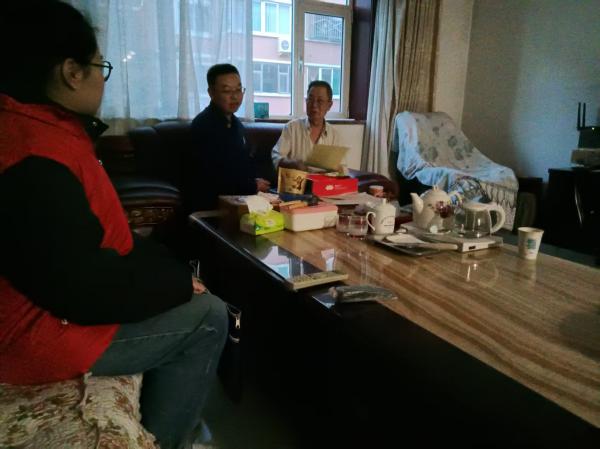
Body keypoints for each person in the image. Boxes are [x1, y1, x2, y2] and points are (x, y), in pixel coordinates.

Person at [0, 2, 226, 449]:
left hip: (60, 300)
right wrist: (176, 283)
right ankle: (170, 438)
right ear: (71, 72)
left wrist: (170, 273)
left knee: (184, 287)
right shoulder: (33, 157)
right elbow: (81, 289)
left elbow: (96, 236)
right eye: (99, 66)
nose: (103, 80)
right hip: (35, 336)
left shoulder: (44, 128)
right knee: (210, 316)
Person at [188, 64, 270, 211]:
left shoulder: (235, 123)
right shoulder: (203, 126)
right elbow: (212, 178)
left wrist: (254, 181)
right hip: (212, 206)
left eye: (238, 90)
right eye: (227, 91)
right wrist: (251, 185)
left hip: (238, 197)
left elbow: (241, 166)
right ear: (211, 93)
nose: (235, 96)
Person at [271, 80, 341, 171]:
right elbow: (276, 156)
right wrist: (292, 164)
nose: (314, 105)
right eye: (310, 99)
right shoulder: (292, 128)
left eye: (320, 101)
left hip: (323, 180)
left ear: (329, 105)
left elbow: (342, 168)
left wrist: (338, 169)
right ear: (306, 101)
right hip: (297, 179)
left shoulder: (334, 135)